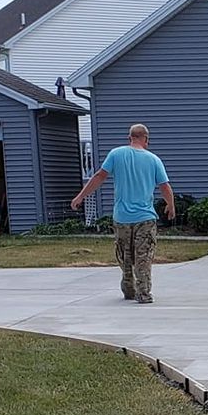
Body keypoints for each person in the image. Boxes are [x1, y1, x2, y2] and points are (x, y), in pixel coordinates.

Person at [71, 123, 175, 304]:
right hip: (145, 217)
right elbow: (164, 186)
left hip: (121, 217)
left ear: (130, 138)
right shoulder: (153, 160)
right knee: (143, 255)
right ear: (146, 140)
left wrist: (80, 196)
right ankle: (143, 293)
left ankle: (128, 288)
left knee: (125, 254)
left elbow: (99, 177)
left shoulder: (115, 154)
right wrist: (171, 206)